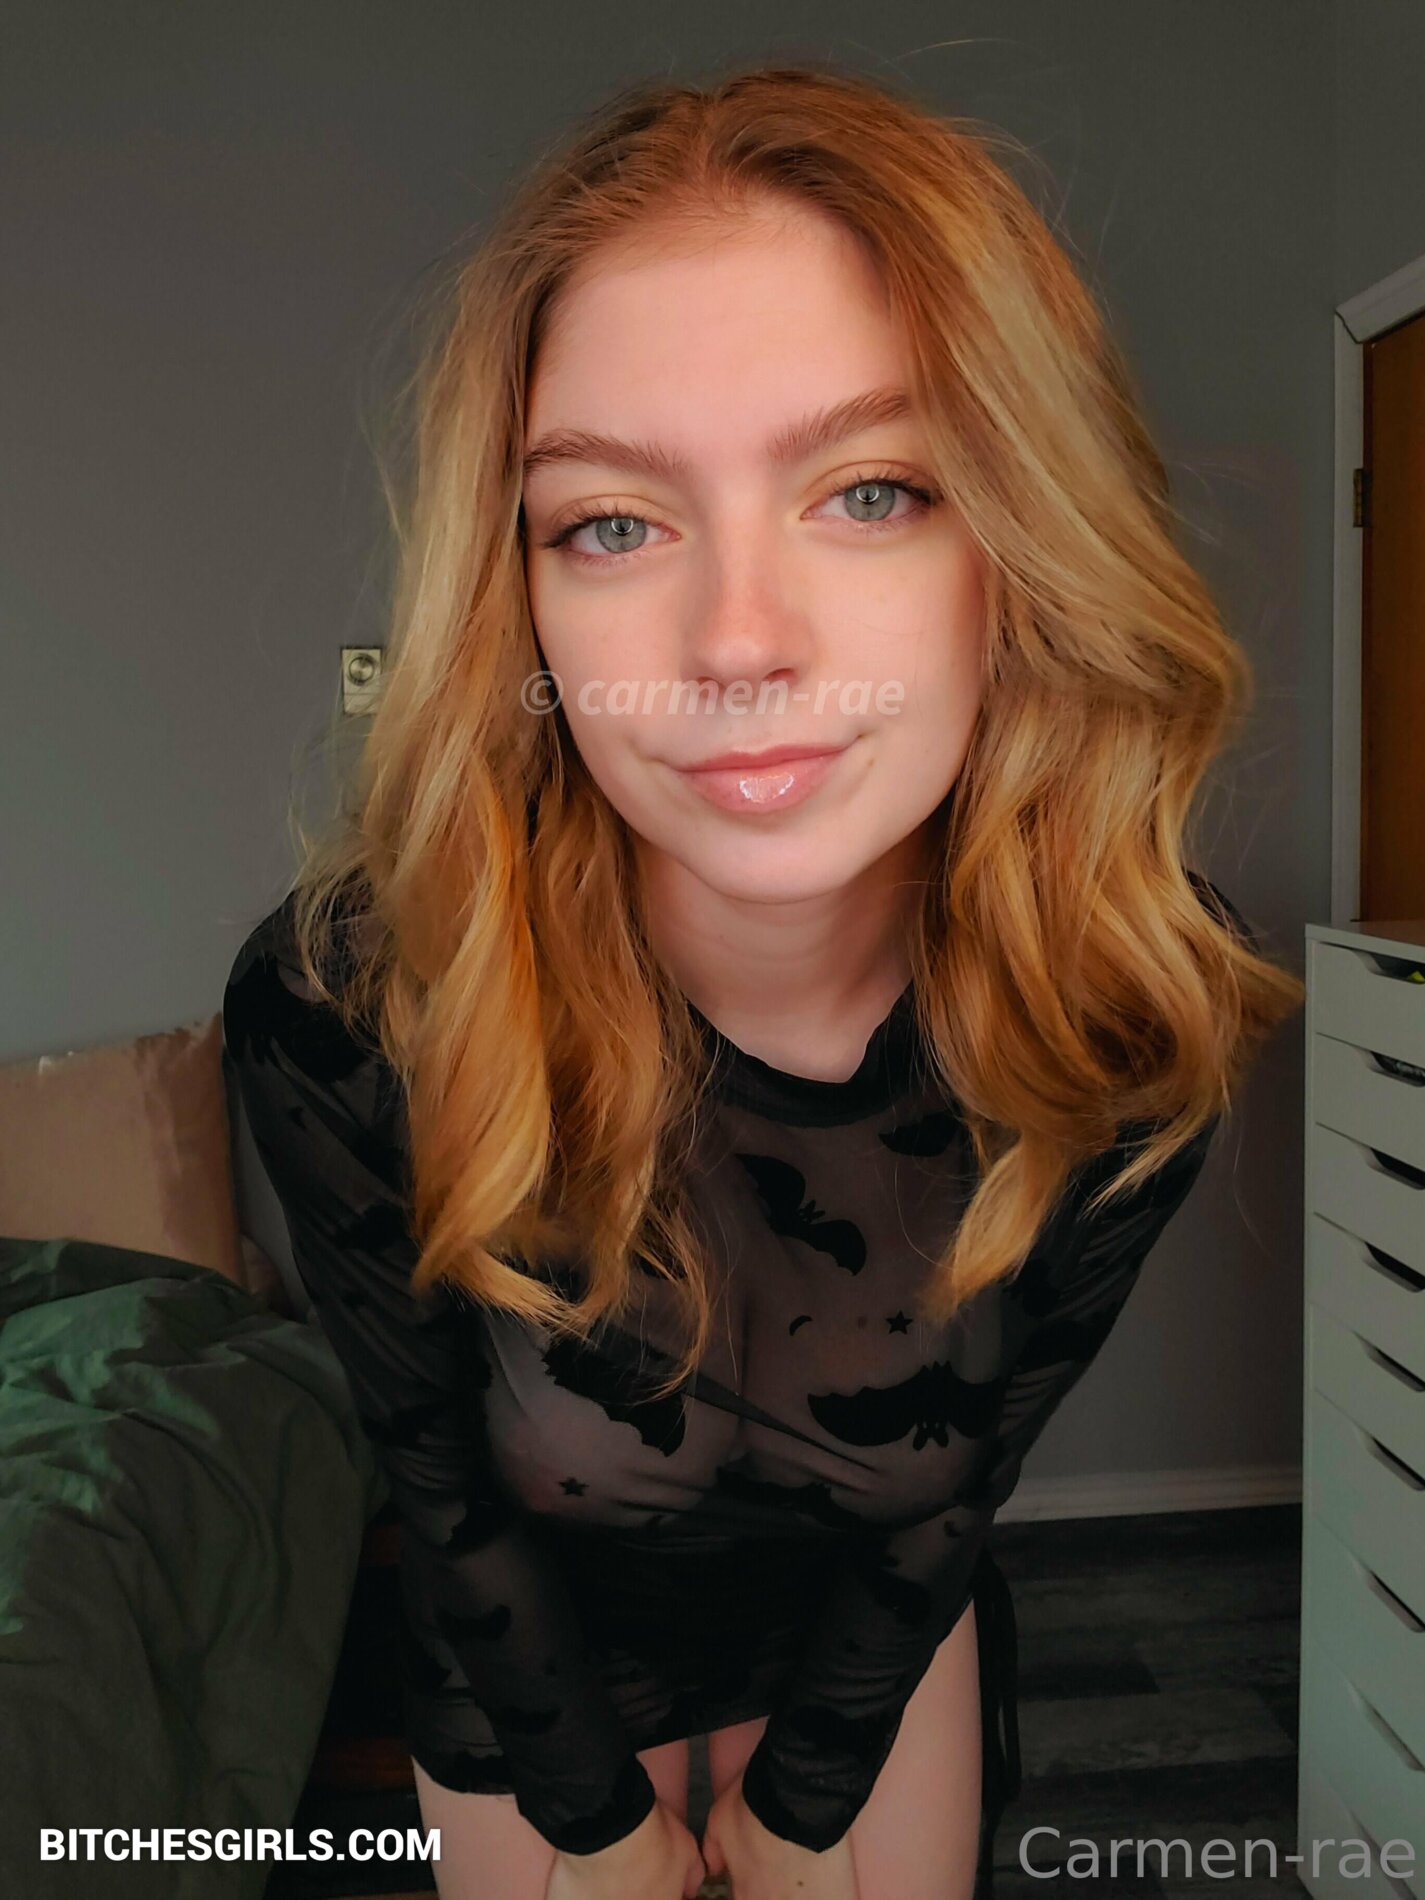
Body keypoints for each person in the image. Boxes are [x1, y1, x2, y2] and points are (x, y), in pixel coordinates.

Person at [221, 62, 1303, 1900]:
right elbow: (441, 1496)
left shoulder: (1123, 999)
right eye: (610, 523)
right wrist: (598, 1830)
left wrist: (804, 1806)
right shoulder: (352, 1003)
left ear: (1023, 549)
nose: (734, 643)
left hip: (864, 1666)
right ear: (517, 597)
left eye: (872, 490)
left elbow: (956, 1492)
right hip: (537, 1684)